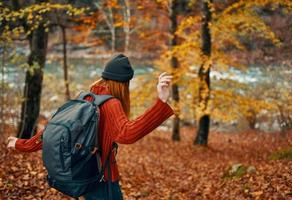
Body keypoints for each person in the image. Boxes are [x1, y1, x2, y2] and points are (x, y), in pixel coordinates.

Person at [7, 54, 174, 200]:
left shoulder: (84, 97)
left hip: (82, 174)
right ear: (124, 84)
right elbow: (127, 134)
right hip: (102, 179)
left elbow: (54, 130)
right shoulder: (111, 103)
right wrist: (161, 102)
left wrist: (21, 143)